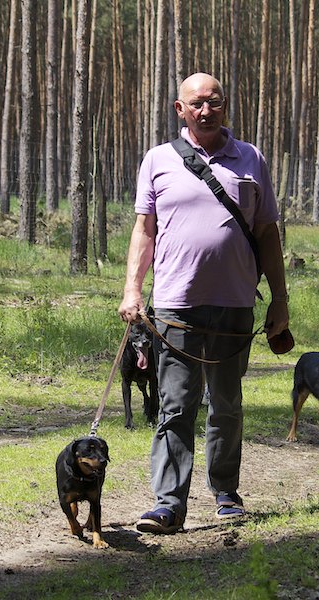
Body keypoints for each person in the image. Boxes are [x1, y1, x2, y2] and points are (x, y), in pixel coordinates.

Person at [118, 73, 290, 534]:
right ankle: (168, 504)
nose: (206, 110)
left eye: (214, 102)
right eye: (196, 103)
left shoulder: (250, 158)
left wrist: (280, 299)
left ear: (225, 105)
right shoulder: (158, 159)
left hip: (235, 305)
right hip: (175, 305)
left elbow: (267, 233)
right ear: (180, 109)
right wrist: (133, 289)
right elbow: (145, 230)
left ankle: (226, 492)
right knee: (176, 404)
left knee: (227, 404)